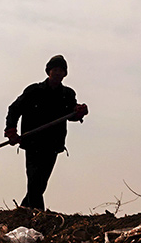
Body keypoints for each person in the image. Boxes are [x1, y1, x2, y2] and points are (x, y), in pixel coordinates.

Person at [5, 54, 88, 210]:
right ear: (48, 71)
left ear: (65, 74)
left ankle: (23, 211)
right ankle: (38, 215)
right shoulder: (33, 91)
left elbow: (72, 114)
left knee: (40, 183)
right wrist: (11, 131)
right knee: (35, 181)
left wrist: (79, 112)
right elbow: (14, 109)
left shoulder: (67, 94)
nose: (57, 73)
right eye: (55, 69)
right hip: (32, 143)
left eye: (61, 71)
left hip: (52, 145)